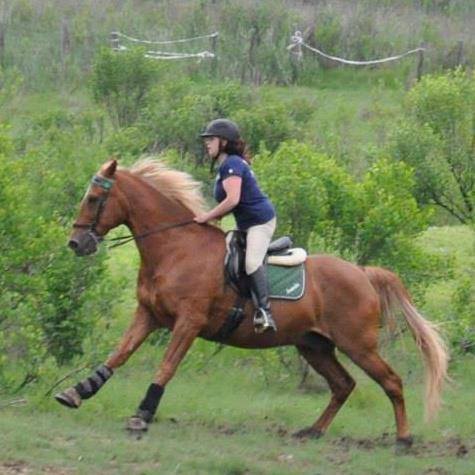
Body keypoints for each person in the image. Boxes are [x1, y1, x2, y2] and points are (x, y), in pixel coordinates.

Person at [194, 118, 277, 333]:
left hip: (260, 222)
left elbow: (232, 200)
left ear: (223, 142)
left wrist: (207, 217)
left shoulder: (232, 164)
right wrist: (214, 217)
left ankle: (265, 313)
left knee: (250, 263)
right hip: (246, 224)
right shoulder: (225, 166)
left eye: (210, 139)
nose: (207, 143)